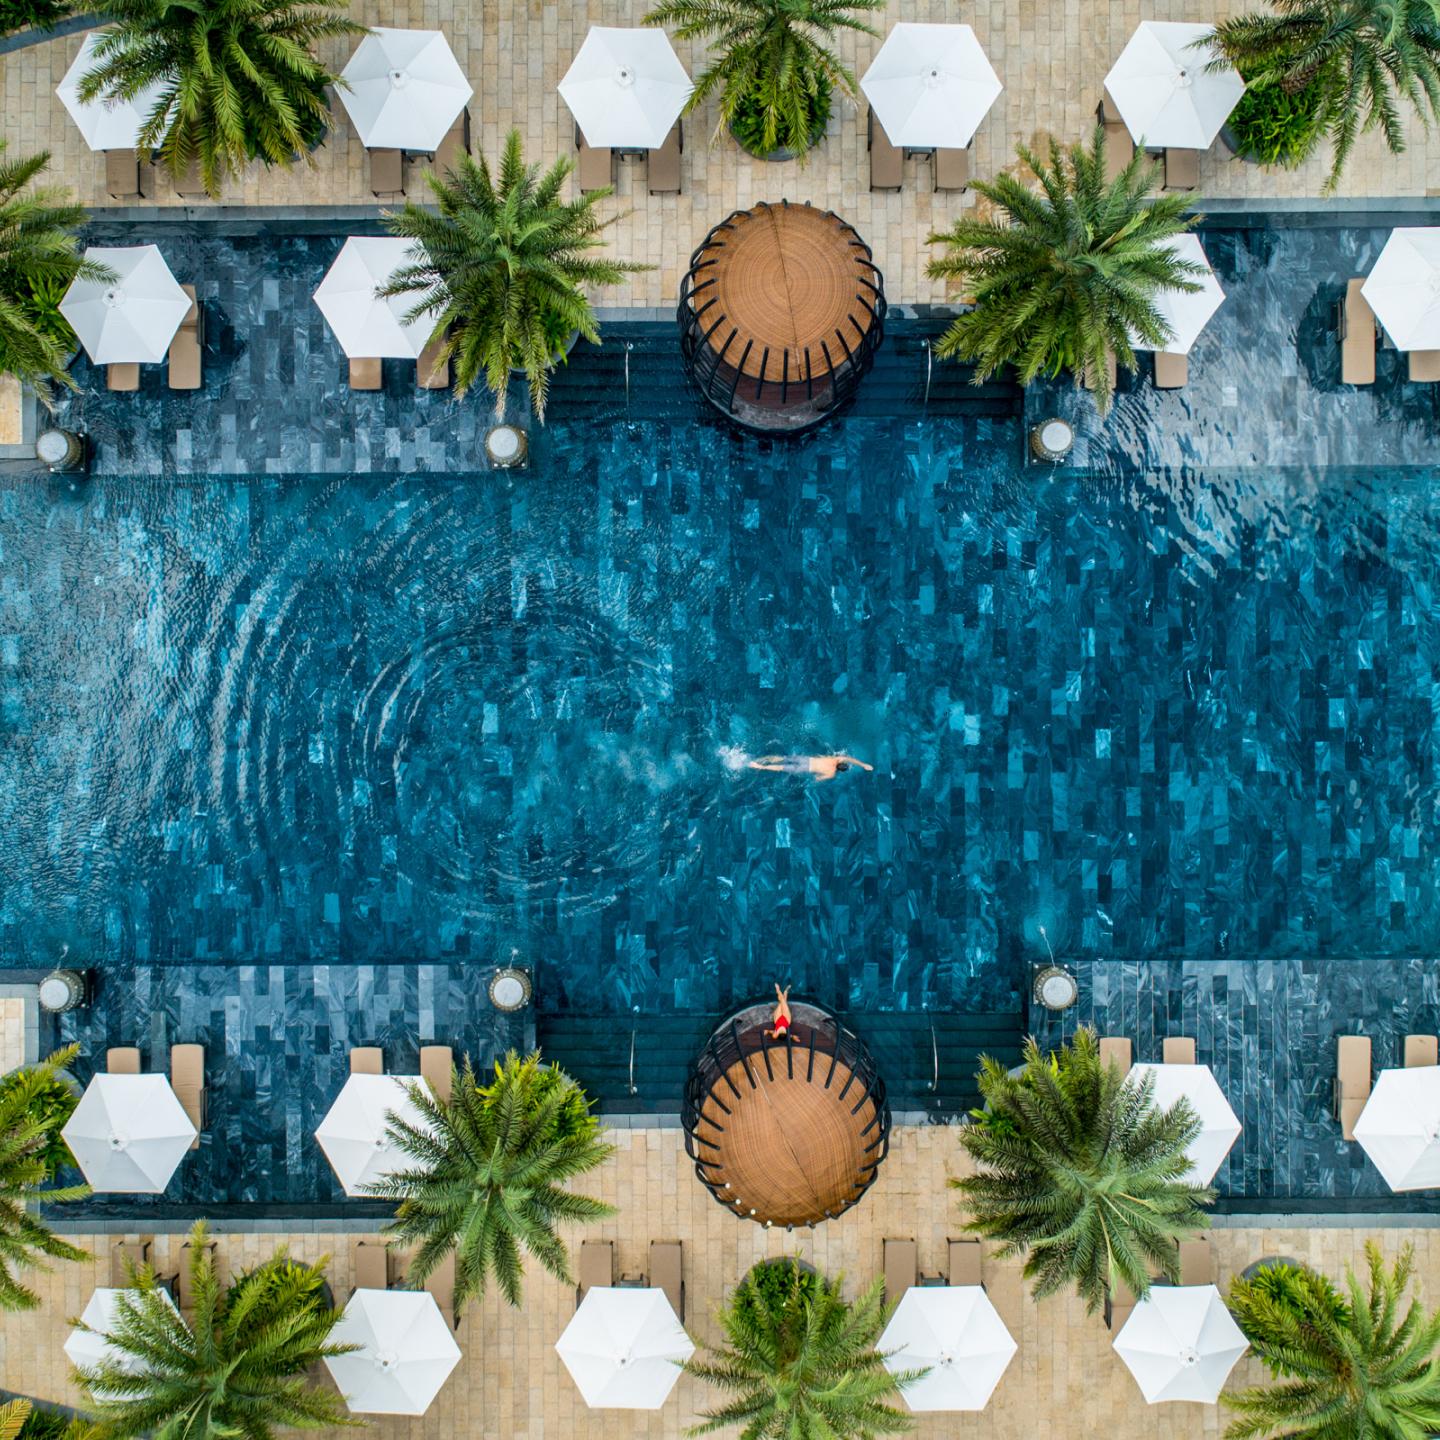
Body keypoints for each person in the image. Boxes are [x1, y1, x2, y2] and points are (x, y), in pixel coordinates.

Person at [746, 753, 874, 782]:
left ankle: (763, 759)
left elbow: (849, 759)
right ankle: (759, 766)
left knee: (785, 758)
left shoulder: (835, 759)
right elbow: (817, 779)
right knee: (781, 768)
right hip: (806, 769)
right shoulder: (831, 774)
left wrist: (863, 765)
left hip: (807, 760)